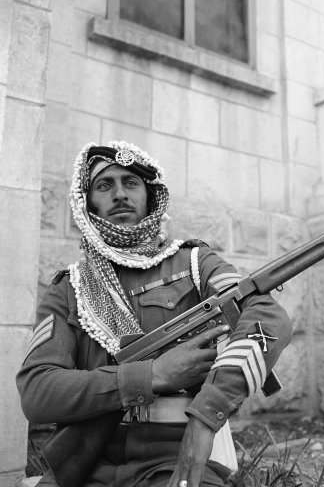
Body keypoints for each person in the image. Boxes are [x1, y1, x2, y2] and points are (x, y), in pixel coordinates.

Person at [16, 141, 292, 487]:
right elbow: (38, 391)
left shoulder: (194, 263)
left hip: (176, 458)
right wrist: (151, 375)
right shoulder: (69, 289)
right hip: (88, 463)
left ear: (150, 196)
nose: (119, 194)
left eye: (131, 183)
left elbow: (267, 316)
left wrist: (206, 418)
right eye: (105, 185)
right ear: (87, 203)